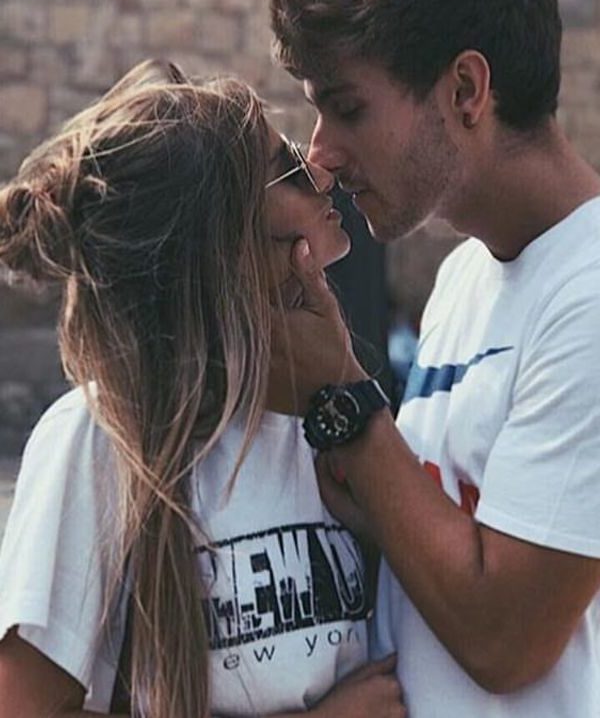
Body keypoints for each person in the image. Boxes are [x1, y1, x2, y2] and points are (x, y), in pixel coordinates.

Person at [0, 59, 405, 718]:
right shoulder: (101, 439)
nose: (321, 169)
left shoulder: (325, 424)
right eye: (289, 166)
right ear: (223, 238)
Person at [269, 0, 600, 716]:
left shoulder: (589, 295)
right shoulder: (460, 279)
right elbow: (444, 539)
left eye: (348, 108)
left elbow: (506, 641)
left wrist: (346, 401)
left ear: (466, 91)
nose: (321, 153)